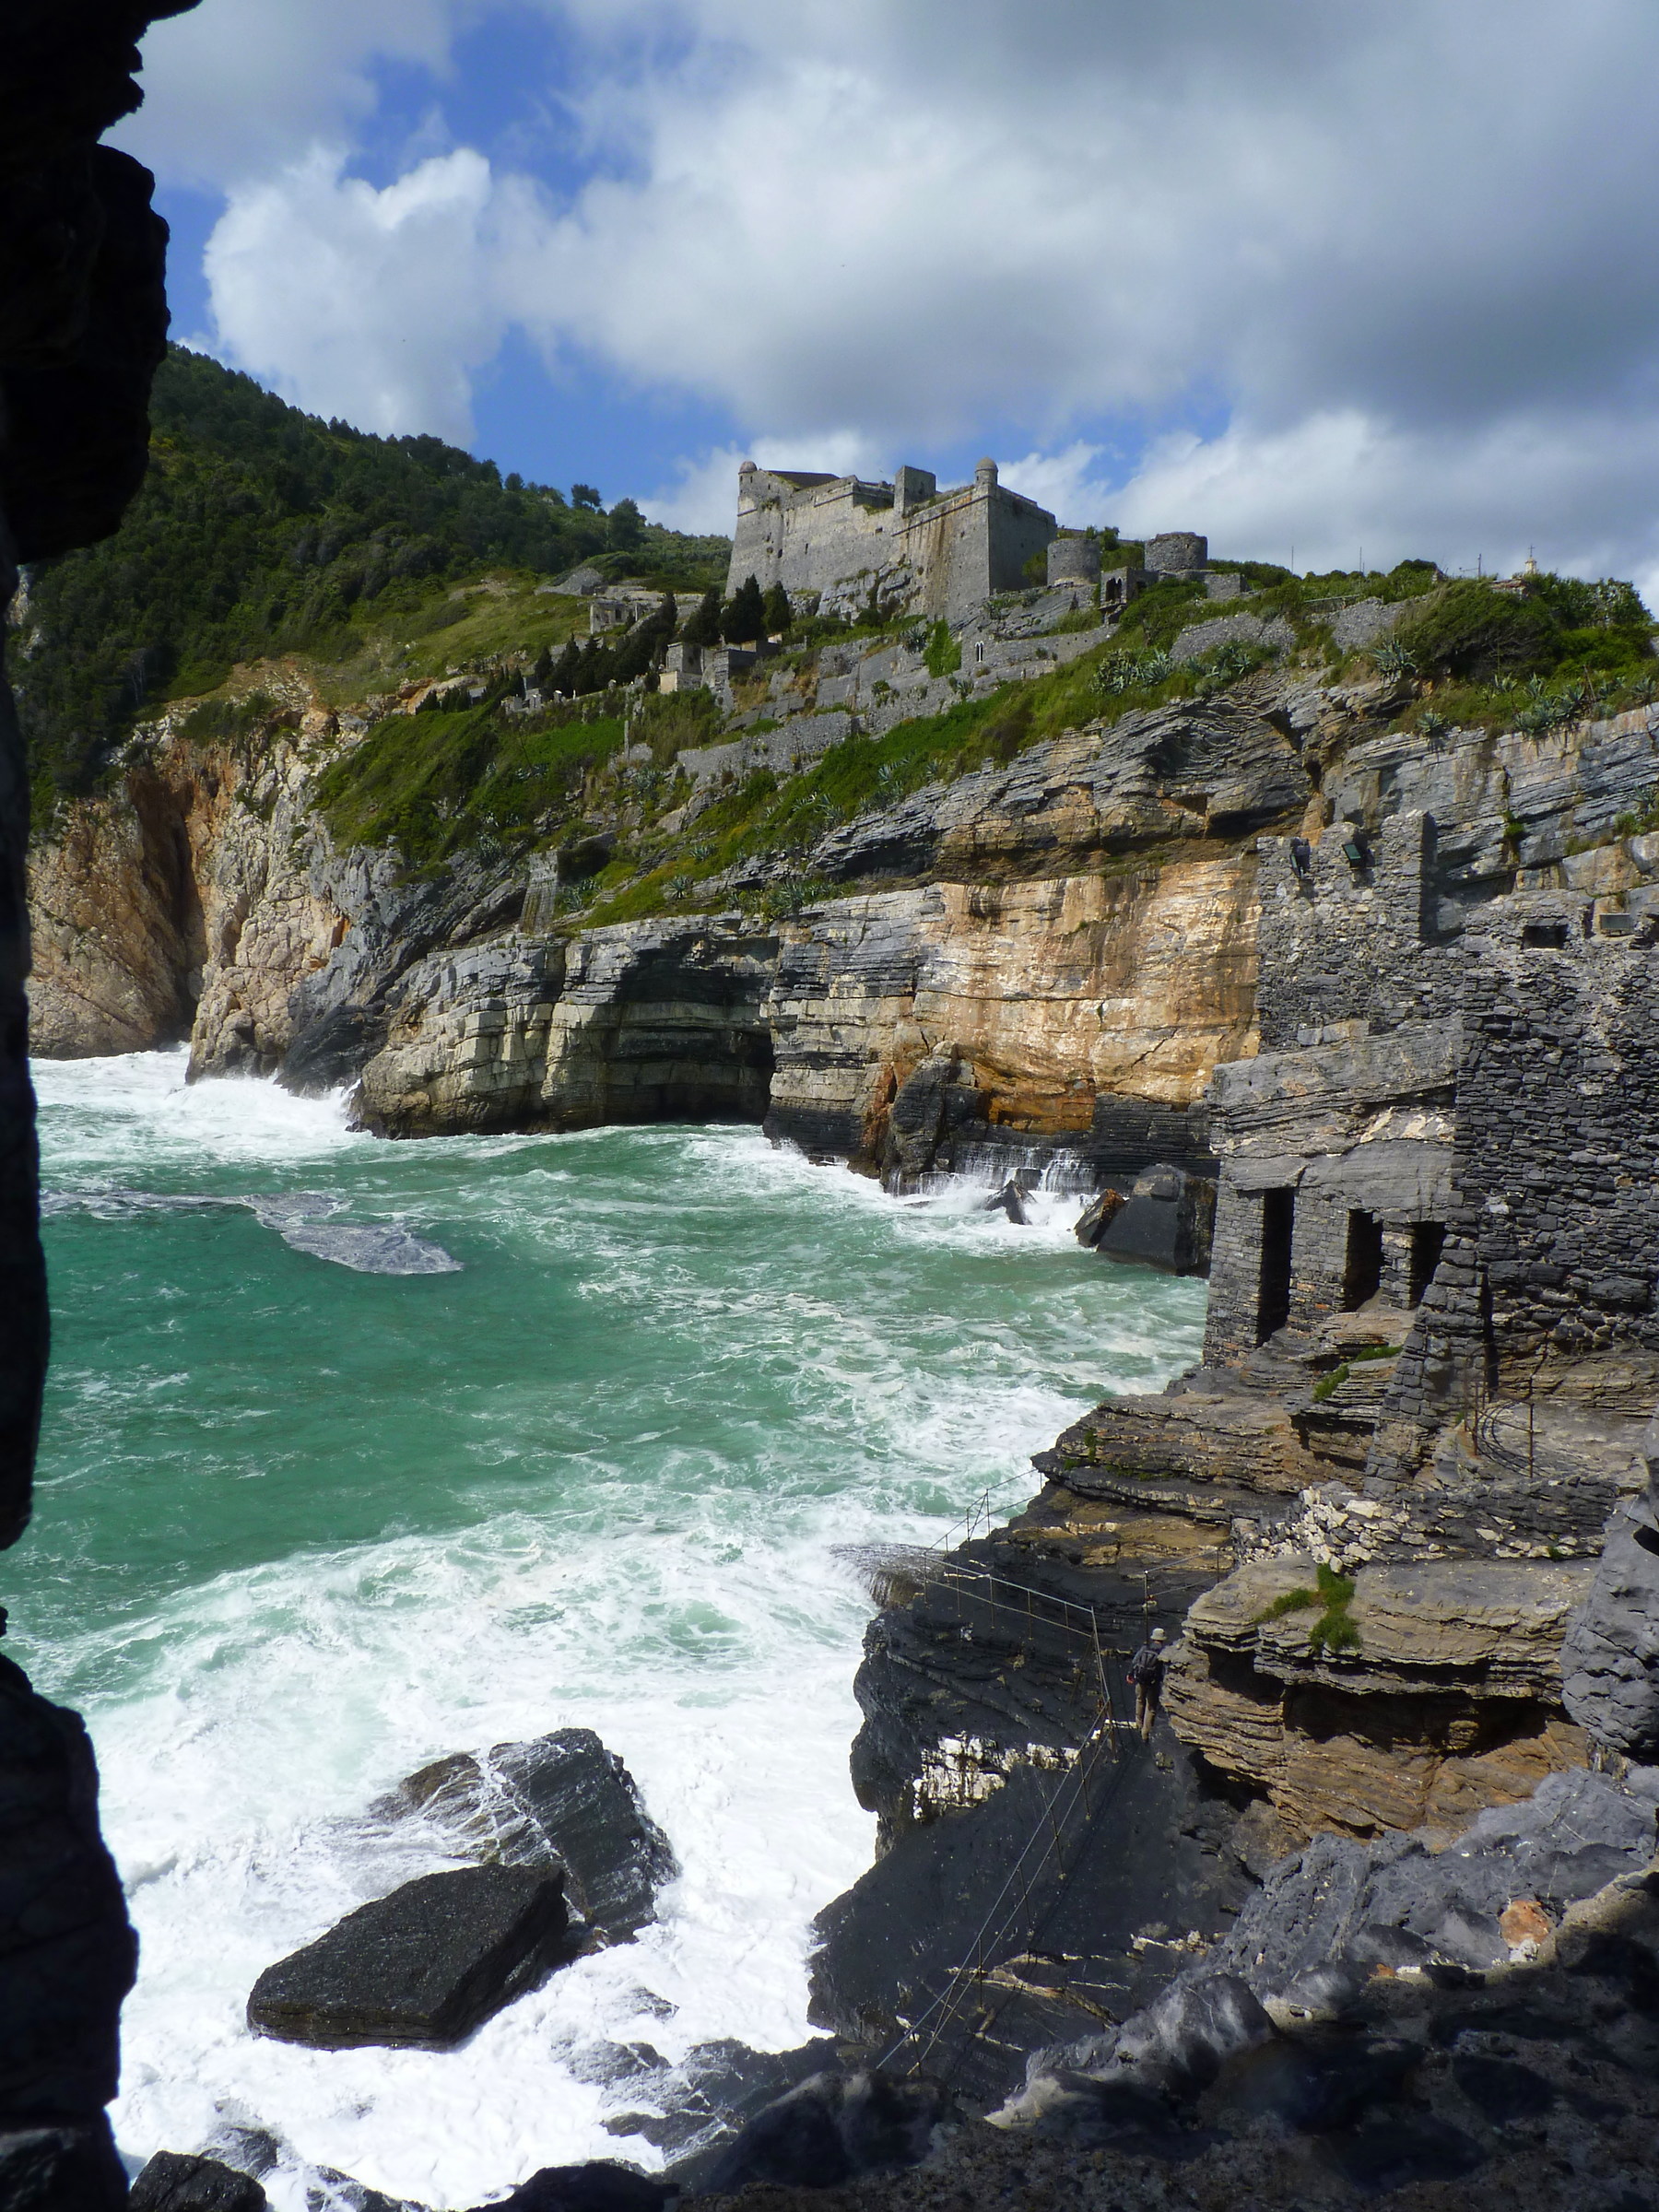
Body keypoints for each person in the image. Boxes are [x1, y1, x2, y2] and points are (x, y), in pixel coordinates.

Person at [1127, 1626, 1169, 1741]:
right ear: (1163, 1639)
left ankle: (1138, 1723)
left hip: (1140, 1679)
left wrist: (1130, 1674)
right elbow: (1164, 1670)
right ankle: (1145, 1733)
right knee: (1150, 1707)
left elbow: (1135, 1661)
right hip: (1153, 1683)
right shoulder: (1163, 1651)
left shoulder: (1145, 1648)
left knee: (1139, 1700)